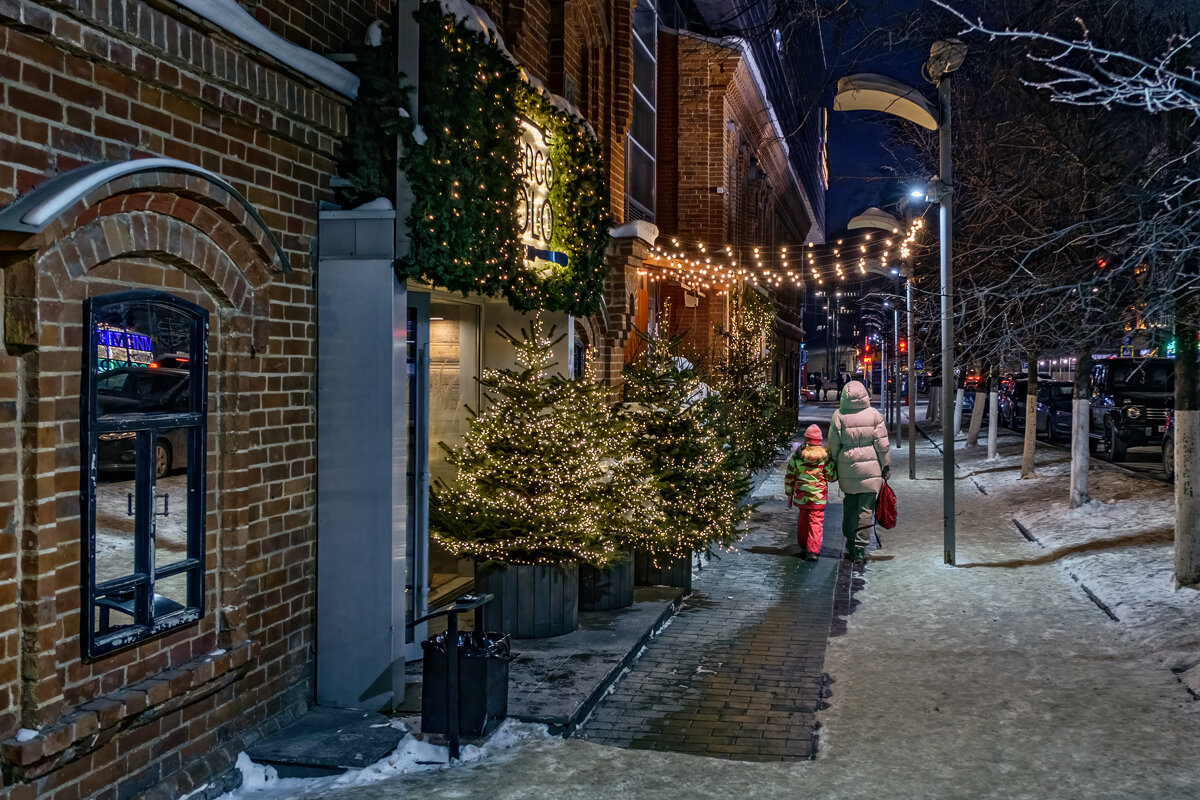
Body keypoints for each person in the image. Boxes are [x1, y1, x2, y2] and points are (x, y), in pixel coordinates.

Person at [827, 380, 890, 565]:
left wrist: (836, 462)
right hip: (871, 470)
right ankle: (860, 549)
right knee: (865, 510)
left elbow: (833, 445)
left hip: (847, 467)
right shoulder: (874, 415)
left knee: (850, 505)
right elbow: (882, 445)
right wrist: (885, 466)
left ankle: (850, 541)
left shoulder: (838, 415)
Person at [786, 425, 837, 561]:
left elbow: (790, 475)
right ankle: (813, 550)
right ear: (819, 441)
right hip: (818, 497)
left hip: (802, 496)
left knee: (803, 520)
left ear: (806, 440)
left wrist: (789, 494)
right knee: (816, 522)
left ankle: (803, 544)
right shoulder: (825, 457)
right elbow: (831, 477)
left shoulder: (798, 455)